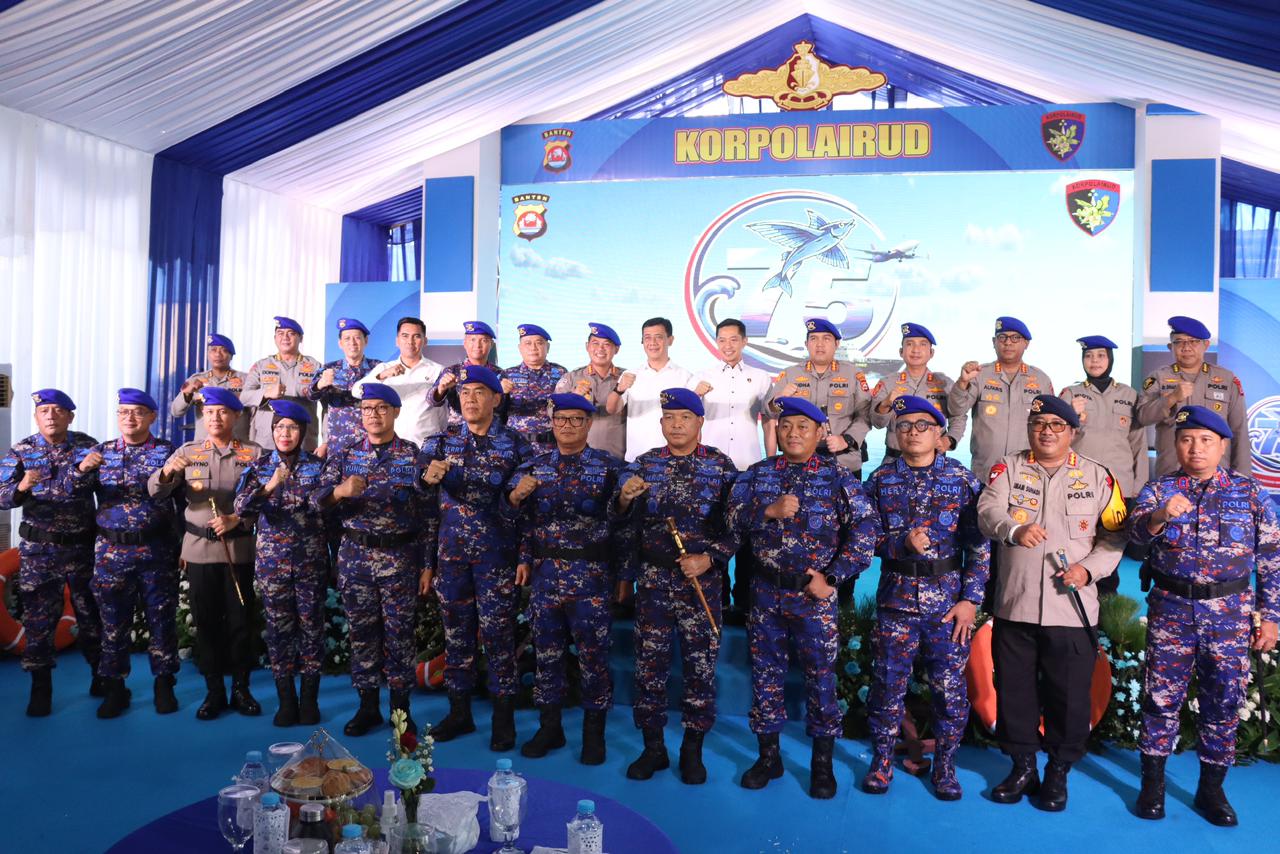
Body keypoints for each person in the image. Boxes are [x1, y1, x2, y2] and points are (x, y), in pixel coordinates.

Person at [1129, 406, 1278, 826]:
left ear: (1222, 446)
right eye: (1186, 439)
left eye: (1206, 440)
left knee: (1224, 701)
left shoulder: (1249, 493)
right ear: (1176, 445)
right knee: (1160, 699)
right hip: (1172, 611)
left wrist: (1271, 616)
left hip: (1229, 615)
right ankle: (1152, 786)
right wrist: (1159, 516)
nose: (1195, 448)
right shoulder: (1159, 489)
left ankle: (1211, 790)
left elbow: (1272, 557)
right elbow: (1134, 536)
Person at [976, 394, 1127, 811]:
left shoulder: (1100, 477)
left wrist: (1088, 571)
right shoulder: (1008, 468)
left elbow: (1114, 536)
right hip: (1016, 602)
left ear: (1072, 432)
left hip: (1071, 607)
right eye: (1039, 424)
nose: (1047, 432)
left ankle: (1059, 771)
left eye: (1057, 425)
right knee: (1014, 691)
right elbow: (987, 510)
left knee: (1070, 695)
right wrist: (1013, 529)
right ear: (1030, 429)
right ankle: (1022, 766)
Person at [728, 397, 880, 799]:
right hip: (765, 594)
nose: (792, 434)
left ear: (819, 433)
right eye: (785, 426)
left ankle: (822, 764)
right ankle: (768, 757)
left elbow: (867, 530)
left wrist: (833, 577)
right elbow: (729, 521)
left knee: (821, 679)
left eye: (802, 427)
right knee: (766, 677)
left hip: (813, 598)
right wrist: (766, 512)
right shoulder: (757, 475)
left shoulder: (838, 477)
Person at [860, 396, 989, 799]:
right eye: (904, 426)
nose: (912, 432)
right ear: (895, 434)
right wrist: (899, 544)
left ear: (939, 434)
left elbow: (980, 547)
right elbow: (863, 539)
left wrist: (970, 600)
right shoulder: (880, 481)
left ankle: (946, 766)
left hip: (948, 607)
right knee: (887, 687)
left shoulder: (962, 480)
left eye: (922, 426)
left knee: (949, 692)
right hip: (896, 602)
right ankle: (882, 762)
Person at [617, 388, 739, 785]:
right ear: (661, 423)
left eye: (685, 417)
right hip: (653, 583)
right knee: (649, 668)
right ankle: (653, 748)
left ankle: (692, 749)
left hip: (700, 583)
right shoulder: (645, 465)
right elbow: (623, 523)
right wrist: (623, 500)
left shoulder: (721, 467)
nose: (676, 424)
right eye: (669, 417)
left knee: (699, 668)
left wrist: (710, 557)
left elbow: (738, 528)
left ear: (700, 422)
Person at [505, 393, 625, 765]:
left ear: (589, 424)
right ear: (552, 423)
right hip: (545, 577)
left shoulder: (609, 467)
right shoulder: (535, 466)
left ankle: (594, 734)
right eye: (561, 419)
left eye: (576, 420)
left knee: (593, 658)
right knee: (547, 656)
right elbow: (518, 519)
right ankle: (550, 727)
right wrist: (514, 499)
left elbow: (625, 521)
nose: (568, 426)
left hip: (591, 579)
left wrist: (624, 575)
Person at [420, 365, 534, 751]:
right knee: (456, 635)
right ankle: (460, 713)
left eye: (479, 392)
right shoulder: (441, 442)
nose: (469, 399)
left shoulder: (516, 446)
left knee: (500, 637)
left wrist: (525, 555)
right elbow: (420, 484)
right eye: (465, 392)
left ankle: (503, 720)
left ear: (496, 399)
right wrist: (426, 474)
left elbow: (524, 508)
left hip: (497, 557)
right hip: (451, 555)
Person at [314, 383, 430, 736]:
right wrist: (339, 491)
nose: (374, 415)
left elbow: (428, 515)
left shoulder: (412, 455)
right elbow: (315, 501)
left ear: (395, 412)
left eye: (382, 408)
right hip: (357, 559)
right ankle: (367, 708)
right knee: (362, 633)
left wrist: (427, 565)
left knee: (400, 635)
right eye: (367, 409)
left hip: (400, 559)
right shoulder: (346, 454)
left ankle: (400, 711)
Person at [149, 387, 264, 720]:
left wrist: (238, 518)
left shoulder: (253, 453)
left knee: (241, 622)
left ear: (236, 416)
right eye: (209, 412)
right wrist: (169, 472)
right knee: (206, 623)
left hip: (238, 550)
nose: (215, 418)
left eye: (223, 412)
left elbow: (265, 499)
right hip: (199, 551)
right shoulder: (188, 451)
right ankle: (214, 691)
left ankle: (241, 689)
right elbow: (155, 491)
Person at [0, 389, 102, 717]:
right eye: (44, 411)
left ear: (70, 416)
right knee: (39, 621)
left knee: (91, 615)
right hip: (39, 552)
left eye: (58, 410)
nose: (51, 416)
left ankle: (101, 676)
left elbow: (108, 491)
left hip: (81, 549)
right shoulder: (21, 451)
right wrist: (21, 487)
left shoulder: (87, 446)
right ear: (36, 417)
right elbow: (1, 497)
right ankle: (40, 688)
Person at [84, 389, 180, 719]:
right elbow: (74, 495)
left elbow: (183, 501)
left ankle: (164, 684)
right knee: (112, 621)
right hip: (111, 552)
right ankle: (114, 688)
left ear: (152, 416)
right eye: (123, 411)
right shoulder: (101, 453)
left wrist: (184, 544)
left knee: (162, 618)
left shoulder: (168, 453)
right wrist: (81, 470)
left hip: (156, 549)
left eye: (138, 412)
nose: (129, 417)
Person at [234, 400, 328, 727]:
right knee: (278, 631)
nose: (284, 433)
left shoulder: (319, 467)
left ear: (302, 432)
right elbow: (241, 508)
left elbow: (329, 511)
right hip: (273, 565)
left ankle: (309, 700)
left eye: (291, 427)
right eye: (279, 427)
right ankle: (286, 700)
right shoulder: (259, 466)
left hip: (310, 562)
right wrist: (270, 486)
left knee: (312, 629)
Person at [767, 318, 873, 607]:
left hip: (843, 463)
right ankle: (798, 599)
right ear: (806, 344)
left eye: (826, 339)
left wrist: (847, 439)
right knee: (799, 530)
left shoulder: (853, 375)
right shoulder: (790, 374)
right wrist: (779, 399)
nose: (820, 344)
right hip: (799, 467)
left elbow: (867, 416)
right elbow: (769, 409)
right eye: (814, 339)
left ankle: (843, 599)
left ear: (836, 344)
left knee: (846, 532)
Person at [691, 318, 775, 624]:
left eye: (733, 340)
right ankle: (720, 601)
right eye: (722, 340)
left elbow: (770, 421)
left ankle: (745, 603)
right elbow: (689, 422)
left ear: (744, 342)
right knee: (714, 533)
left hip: (749, 467)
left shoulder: (761, 378)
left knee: (748, 536)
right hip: (712, 470)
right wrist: (696, 396)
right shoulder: (702, 377)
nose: (727, 346)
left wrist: (771, 462)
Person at [1059, 334, 1147, 591]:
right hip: (1078, 484)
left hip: (1118, 488)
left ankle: (1107, 601)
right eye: (1088, 356)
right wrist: (1071, 415)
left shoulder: (1129, 395)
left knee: (1111, 546)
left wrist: (1138, 487)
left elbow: (1138, 444)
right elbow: (1057, 439)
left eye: (1100, 356)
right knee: (1079, 543)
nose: (1094, 361)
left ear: (1110, 359)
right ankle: (1077, 598)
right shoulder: (1070, 394)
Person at [1137, 316, 1249, 477]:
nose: (1186, 347)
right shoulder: (1158, 378)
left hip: (1216, 475)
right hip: (1171, 472)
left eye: (1193, 341)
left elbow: (1239, 431)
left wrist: (1242, 478)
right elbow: (1142, 417)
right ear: (1170, 347)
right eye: (1179, 342)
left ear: (1206, 345)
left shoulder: (1227, 379)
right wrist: (1170, 399)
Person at [948, 317, 1054, 480]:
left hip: (1028, 472)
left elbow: (1050, 424)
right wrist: (962, 382)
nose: (1008, 342)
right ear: (994, 342)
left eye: (1015, 338)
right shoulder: (979, 375)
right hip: (985, 471)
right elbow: (956, 410)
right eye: (1002, 337)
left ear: (1026, 343)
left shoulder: (1041, 380)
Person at [870, 323, 967, 457]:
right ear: (901, 352)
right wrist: (885, 405)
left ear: (931, 353)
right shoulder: (887, 383)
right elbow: (877, 423)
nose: (916, 350)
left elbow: (959, 416)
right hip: (895, 459)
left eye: (922, 344)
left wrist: (949, 440)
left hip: (935, 459)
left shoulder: (945, 384)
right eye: (910, 344)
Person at [608, 317, 692, 463]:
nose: (652, 343)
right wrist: (619, 389)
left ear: (670, 340)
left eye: (658, 337)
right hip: (636, 459)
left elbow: (693, 423)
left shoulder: (686, 377)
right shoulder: (630, 374)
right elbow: (612, 409)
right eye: (647, 337)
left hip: (674, 460)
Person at [353, 316, 447, 445]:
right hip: (393, 447)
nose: (410, 342)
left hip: (427, 445)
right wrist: (382, 376)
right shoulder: (384, 369)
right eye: (405, 336)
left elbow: (443, 414)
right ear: (397, 341)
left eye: (416, 336)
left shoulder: (438, 370)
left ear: (425, 341)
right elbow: (356, 391)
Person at [240, 316, 323, 452]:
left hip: (303, 440)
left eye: (291, 333)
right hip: (266, 442)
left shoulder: (314, 366)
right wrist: (266, 393)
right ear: (275, 338)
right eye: (280, 333)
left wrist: (326, 441)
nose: (285, 337)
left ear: (301, 338)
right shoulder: (261, 366)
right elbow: (244, 398)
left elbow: (327, 406)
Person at [554, 322, 628, 459]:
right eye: (595, 343)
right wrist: (573, 397)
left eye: (606, 344)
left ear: (616, 349)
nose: (600, 349)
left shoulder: (626, 378)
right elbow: (550, 410)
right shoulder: (571, 378)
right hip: (578, 458)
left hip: (616, 457)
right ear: (587, 346)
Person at [307, 317, 380, 451]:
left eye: (357, 338)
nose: (352, 343)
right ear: (340, 343)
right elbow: (311, 395)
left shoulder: (378, 368)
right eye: (347, 339)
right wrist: (321, 384)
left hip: (371, 441)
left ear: (366, 341)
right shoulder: (329, 368)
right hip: (338, 441)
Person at [500, 323, 567, 455]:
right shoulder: (507, 375)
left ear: (548, 347)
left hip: (551, 447)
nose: (533, 348)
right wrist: (501, 394)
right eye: (528, 343)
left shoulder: (560, 373)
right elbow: (495, 411)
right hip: (517, 447)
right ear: (520, 348)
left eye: (539, 343)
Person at [170, 333, 249, 442]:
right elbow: (176, 411)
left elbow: (255, 415)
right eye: (213, 350)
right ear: (208, 354)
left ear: (231, 356)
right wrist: (187, 394)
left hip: (237, 444)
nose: (218, 354)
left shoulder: (246, 380)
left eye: (224, 350)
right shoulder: (196, 380)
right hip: (204, 445)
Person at [430, 320, 497, 430]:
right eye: (472, 340)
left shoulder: (499, 374)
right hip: (458, 433)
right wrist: (441, 390)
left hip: (490, 433)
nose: (477, 345)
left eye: (484, 340)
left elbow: (506, 409)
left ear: (491, 344)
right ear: (465, 343)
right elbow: (431, 401)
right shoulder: (452, 371)